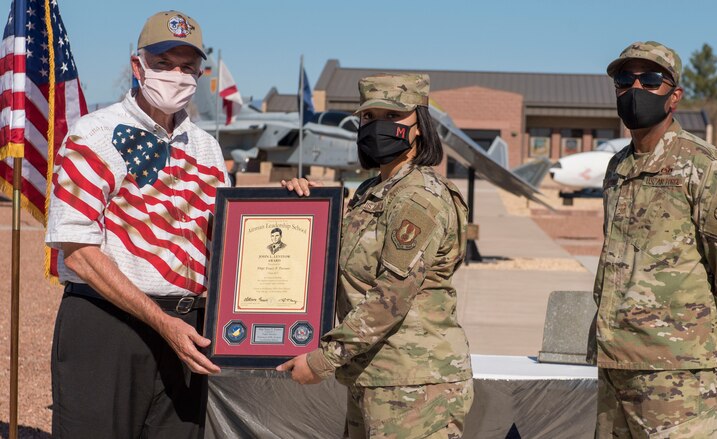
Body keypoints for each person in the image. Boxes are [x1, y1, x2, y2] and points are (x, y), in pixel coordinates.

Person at [45, 11, 228, 439]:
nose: (175, 76)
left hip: (189, 328)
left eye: (187, 67)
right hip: (108, 324)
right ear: (137, 65)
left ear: (199, 73)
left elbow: (229, 240)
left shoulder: (208, 149)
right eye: (163, 64)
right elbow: (80, 252)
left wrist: (289, 205)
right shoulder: (94, 134)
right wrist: (162, 324)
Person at [277, 73, 474, 439]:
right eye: (369, 118)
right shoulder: (373, 190)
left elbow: (389, 298)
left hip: (415, 385)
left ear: (419, 126)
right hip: (374, 376)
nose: (377, 127)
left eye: (391, 117)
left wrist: (322, 360)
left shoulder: (419, 197)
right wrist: (304, 207)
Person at [592, 41, 717, 438]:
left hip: (677, 374)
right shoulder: (618, 167)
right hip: (616, 366)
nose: (635, 88)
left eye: (651, 79)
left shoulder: (709, 168)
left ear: (674, 97)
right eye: (624, 78)